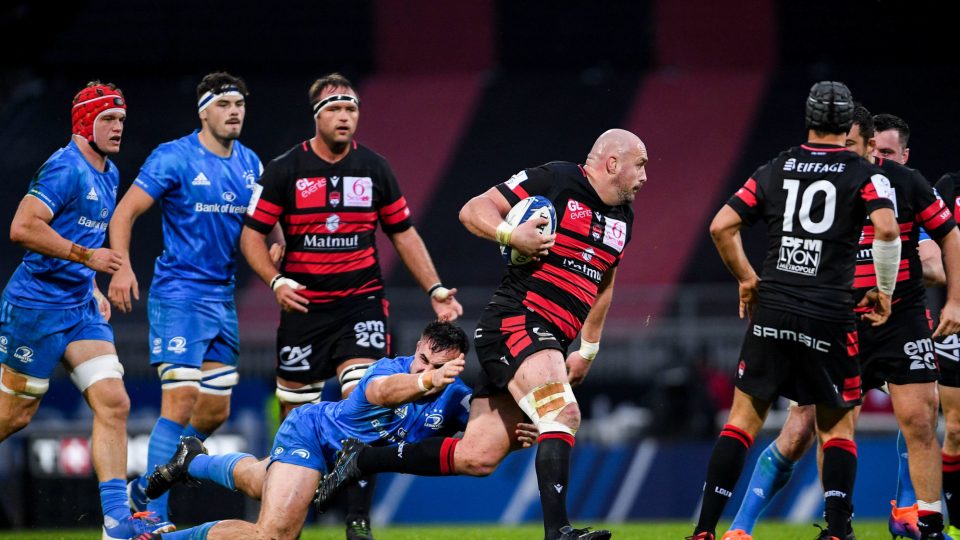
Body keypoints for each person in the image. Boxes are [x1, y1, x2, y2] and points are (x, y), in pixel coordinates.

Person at [315, 128, 650, 540]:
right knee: (563, 412)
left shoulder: (624, 219)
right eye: (641, 165)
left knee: (478, 456)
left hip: (552, 339)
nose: (645, 176)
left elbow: (605, 283)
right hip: (518, 322)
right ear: (612, 163)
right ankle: (558, 532)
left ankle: (366, 459)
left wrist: (589, 349)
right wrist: (511, 235)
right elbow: (473, 209)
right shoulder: (556, 179)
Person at [719, 107, 960, 540]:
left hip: (899, 320)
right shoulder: (824, 184)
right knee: (803, 430)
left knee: (921, 419)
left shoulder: (910, 185)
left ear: (881, 151)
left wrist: (953, 300)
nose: (840, 154)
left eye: (854, 146)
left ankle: (921, 519)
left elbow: (944, 246)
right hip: (835, 321)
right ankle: (757, 526)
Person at [240, 72, 462, 540]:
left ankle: (357, 519)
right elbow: (252, 235)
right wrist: (275, 279)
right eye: (335, 110)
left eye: (352, 109)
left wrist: (435, 288)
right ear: (316, 116)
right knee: (293, 419)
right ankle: (287, 512)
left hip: (361, 305)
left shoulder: (375, 167)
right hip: (303, 313)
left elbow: (403, 233)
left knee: (363, 400)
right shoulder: (284, 170)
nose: (345, 117)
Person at [687, 82, 902, 540]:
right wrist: (882, 290)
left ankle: (705, 530)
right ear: (847, 126)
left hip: (774, 309)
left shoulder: (777, 167)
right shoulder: (864, 174)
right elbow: (886, 231)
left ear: (807, 118)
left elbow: (721, 226)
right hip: (829, 314)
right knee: (836, 427)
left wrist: (748, 278)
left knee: (742, 422)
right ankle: (839, 530)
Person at [136, 321, 536, 540]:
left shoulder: (456, 398)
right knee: (274, 535)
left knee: (259, 480)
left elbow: (480, 444)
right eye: (421, 359)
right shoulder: (389, 371)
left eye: (435, 366)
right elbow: (383, 392)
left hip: (334, 463)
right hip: (311, 436)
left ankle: (195, 460)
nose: (422, 369)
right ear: (415, 350)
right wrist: (427, 382)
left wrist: (517, 441)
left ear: (458, 366)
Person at [0, 82, 174, 538]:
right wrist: (87, 258)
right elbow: (22, 227)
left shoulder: (109, 171)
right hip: (34, 309)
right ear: (85, 123)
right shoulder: (64, 168)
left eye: (121, 119)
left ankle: (116, 521)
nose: (119, 127)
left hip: (79, 306)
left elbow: (85, 238)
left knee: (114, 402)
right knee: (14, 417)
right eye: (108, 120)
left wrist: (92, 283)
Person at [106, 72, 265, 521]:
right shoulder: (173, 157)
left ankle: (148, 481)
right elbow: (124, 213)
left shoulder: (250, 162)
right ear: (204, 111)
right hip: (179, 294)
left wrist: (275, 246)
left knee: (215, 409)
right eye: (225, 104)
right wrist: (121, 267)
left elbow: (264, 225)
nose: (234, 111)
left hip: (222, 298)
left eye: (240, 104)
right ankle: (152, 514)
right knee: (178, 401)